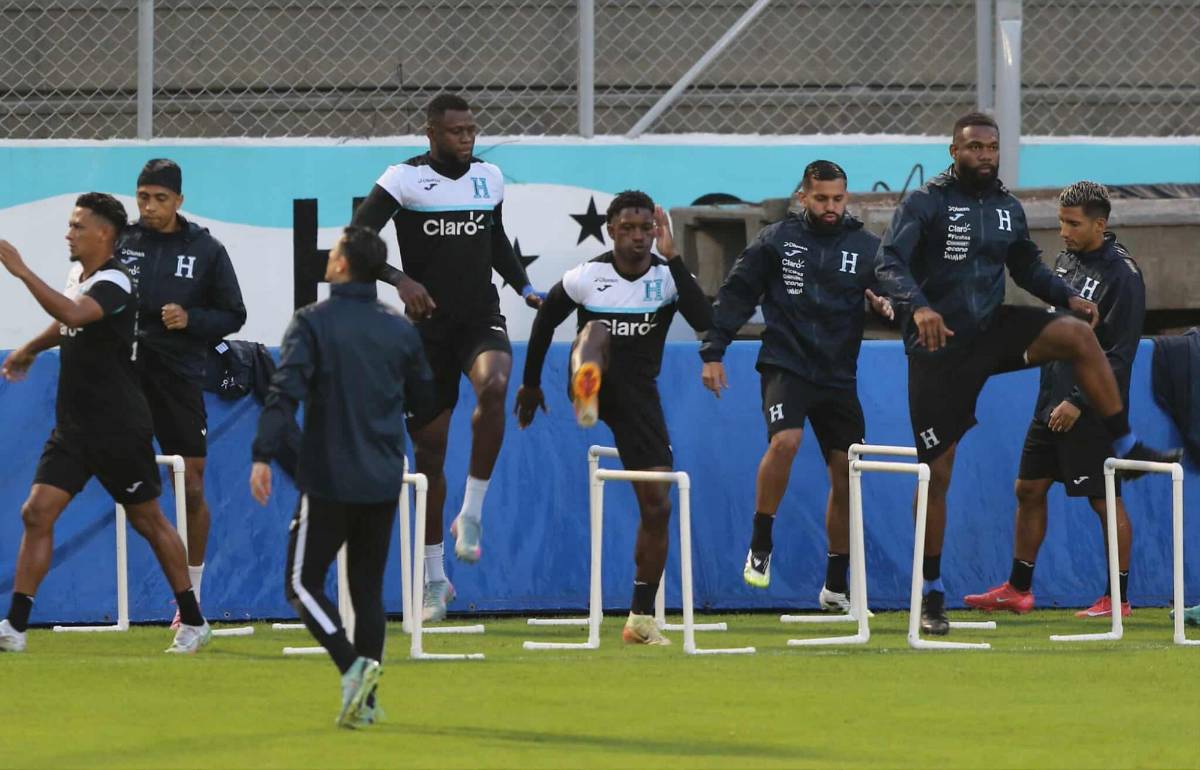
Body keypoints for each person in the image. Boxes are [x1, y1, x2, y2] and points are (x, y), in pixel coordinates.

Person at [874, 112, 1180, 636]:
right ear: (954, 152)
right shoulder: (925, 202)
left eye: (991, 147)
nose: (985, 155)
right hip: (938, 346)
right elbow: (887, 264)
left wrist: (1065, 298)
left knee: (1077, 335)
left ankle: (1126, 443)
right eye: (974, 147)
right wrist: (918, 307)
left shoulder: (1006, 208)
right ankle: (929, 594)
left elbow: (1027, 267)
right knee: (937, 473)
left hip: (989, 331)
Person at [350, 94, 542, 622]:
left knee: (496, 387)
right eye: (456, 131)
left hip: (480, 319)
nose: (466, 138)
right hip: (427, 332)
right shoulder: (403, 180)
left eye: (472, 130)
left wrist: (524, 286)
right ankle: (436, 580)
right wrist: (399, 278)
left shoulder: (490, 178)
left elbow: (495, 239)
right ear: (431, 133)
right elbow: (355, 242)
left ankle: (473, 513)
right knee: (430, 455)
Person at [0, 193, 209, 654]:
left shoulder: (117, 280)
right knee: (36, 512)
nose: (68, 234)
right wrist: (30, 348)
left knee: (149, 521)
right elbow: (68, 324)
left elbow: (75, 313)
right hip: (73, 426)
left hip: (118, 426)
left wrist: (20, 270)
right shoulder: (81, 276)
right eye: (70, 225)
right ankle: (14, 626)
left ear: (104, 235)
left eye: (78, 227)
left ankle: (193, 620)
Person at [250, 226, 434, 728]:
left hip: (330, 476)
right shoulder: (399, 329)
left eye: (332, 253)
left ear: (340, 266)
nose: (327, 258)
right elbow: (424, 399)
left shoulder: (312, 322)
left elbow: (284, 391)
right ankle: (366, 705)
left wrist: (263, 453)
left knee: (301, 582)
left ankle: (350, 665)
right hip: (382, 475)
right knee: (368, 591)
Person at [516, 191, 712, 645]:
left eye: (647, 229)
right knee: (597, 330)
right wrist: (531, 384)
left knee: (659, 504)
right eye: (628, 228)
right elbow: (545, 320)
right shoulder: (588, 276)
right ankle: (587, 389)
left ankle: (640, 618)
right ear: (611, 230)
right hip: (592, 374)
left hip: (637, 400)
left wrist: (676, 258)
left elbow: (706, 318)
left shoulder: (666, 278)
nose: (639, 237)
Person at [698, 160, 893, 610]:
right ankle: (761, 543)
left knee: (847, 473)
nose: (830, 207)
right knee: (785, 441)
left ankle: (835, 585)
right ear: (802, 197)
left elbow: (894, 288)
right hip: (787, 364)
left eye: (838, 199)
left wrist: (891, 304)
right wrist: (713, 351)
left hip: (838, 374)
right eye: (821, 198)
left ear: (847, 198)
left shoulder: (865, 247)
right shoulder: (777, 240)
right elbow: (737, 294)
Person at [965, 182, 1145, 618]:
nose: (1062, 231)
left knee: (1104, 501)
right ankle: (1018, 589)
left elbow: (1120, 355)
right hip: (1050, 398)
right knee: (1028, 488)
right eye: (1061, 221)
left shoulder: (1124, 276)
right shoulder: (1066, 261)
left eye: (1072, 223)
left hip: (1092, 406)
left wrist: (1079, 401)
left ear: (1100, 224)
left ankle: (1117, 599)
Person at [118, 158, 247, 627]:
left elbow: (234, 313)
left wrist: (192, 319)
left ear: (179, 201)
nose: (149, 207)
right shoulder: (122, 241)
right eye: (143, 197)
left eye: (160, 199)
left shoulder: (206, 249)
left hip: (177, 375)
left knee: (190, 484)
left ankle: (191, 595)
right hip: (124, 374)